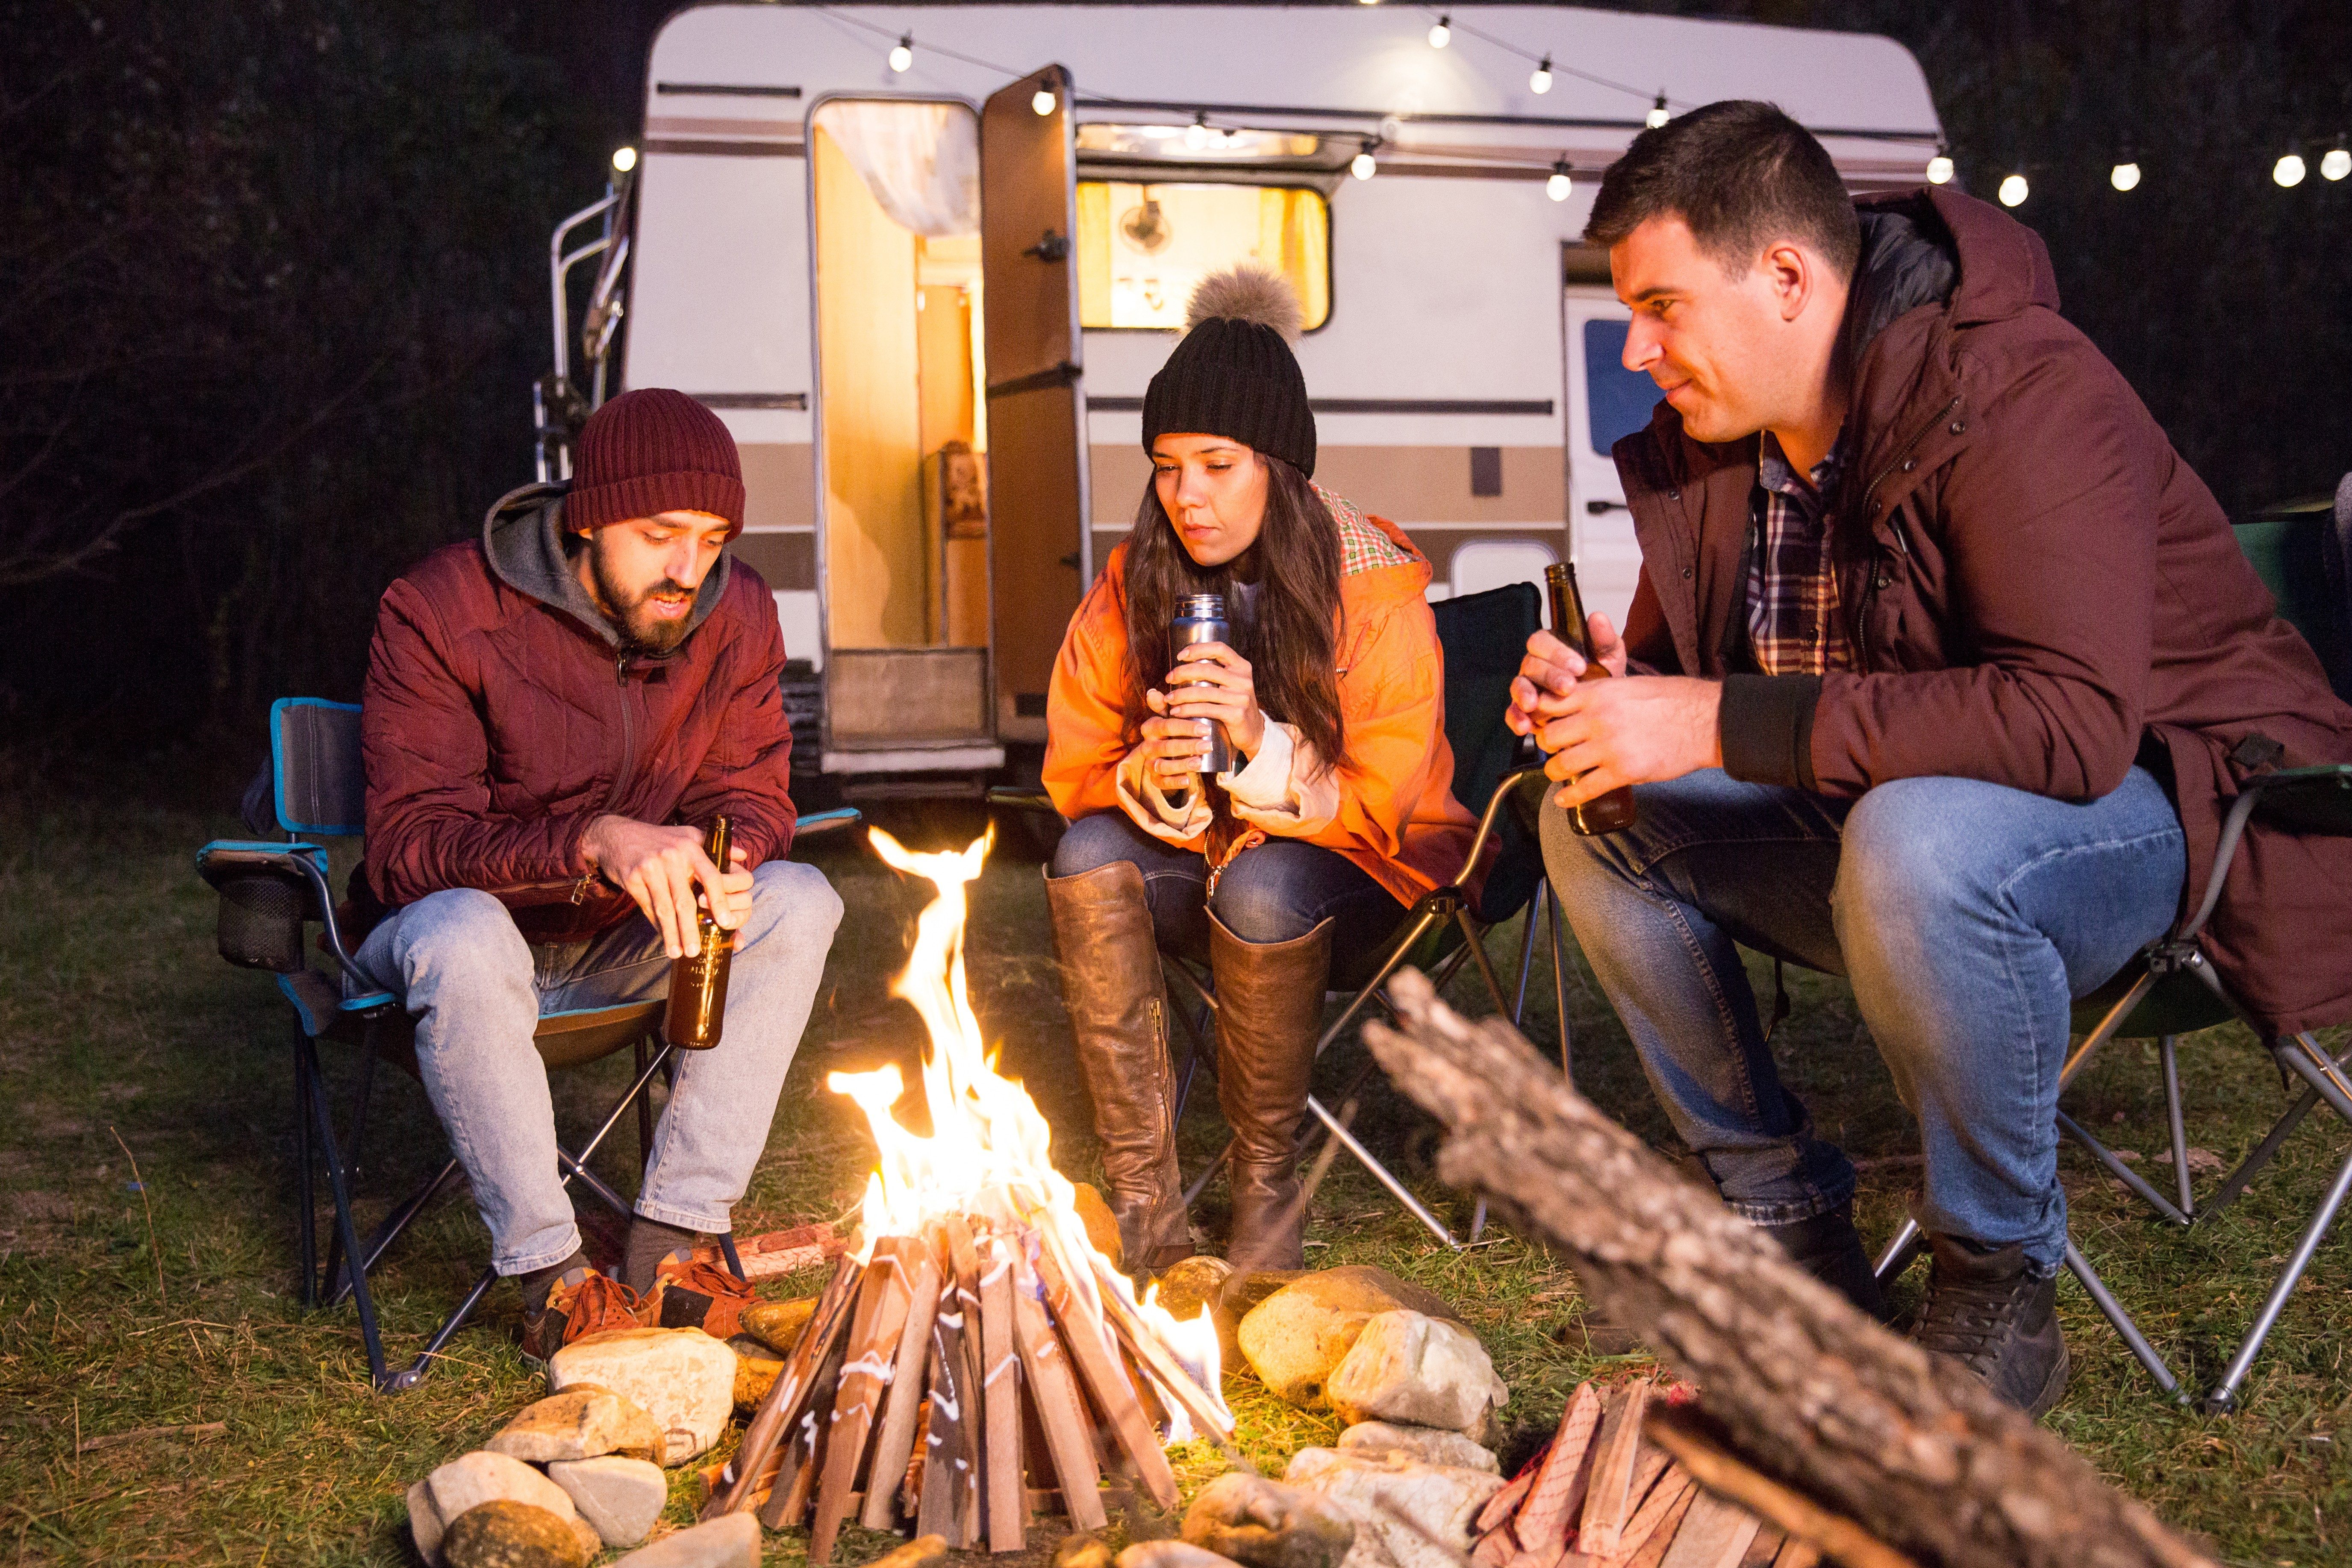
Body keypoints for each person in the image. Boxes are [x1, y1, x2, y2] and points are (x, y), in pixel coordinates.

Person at [1513, 103, 2352, 1417]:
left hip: (2172, 807)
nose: (1640, 349)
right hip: (1883, 825)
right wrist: (1610, 700)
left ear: (1787, 278)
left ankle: (1998, 1278)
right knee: (1593, 818)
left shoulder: (2016, 387)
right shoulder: (1719, 447)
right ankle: (1792, 1236)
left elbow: (2069, 724)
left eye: (1665, 306)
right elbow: (1687, 684)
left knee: (1918, 838)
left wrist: (1712, 720)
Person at [355, 388, 844, 1359]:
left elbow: (754, 789)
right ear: (587, 518)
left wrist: (728, 854)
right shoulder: (442, 609)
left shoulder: (733, 609)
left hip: (625, 948)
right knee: (461, 929)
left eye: (710, 538)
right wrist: (592, 838)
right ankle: (550, 1277)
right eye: (659, 533)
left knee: (800, 898)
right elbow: (409, 845)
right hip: (459, 951)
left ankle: (672, 1241)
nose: (686, 569)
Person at [1043, 267, 1484, 1274]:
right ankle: (1147, 1206)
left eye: (1217, 463)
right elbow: (1075, 760)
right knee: (1085, 855)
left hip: (1366, 869)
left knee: (1263, 880)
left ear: (1277, 466)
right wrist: (1149, 771)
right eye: (1165, 466)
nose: (1186, 495)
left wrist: (1257, 741)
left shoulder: (1369, 585)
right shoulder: (1138, 578)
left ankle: (1264, 1191)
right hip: (1205, 855)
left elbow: (1383, 801)